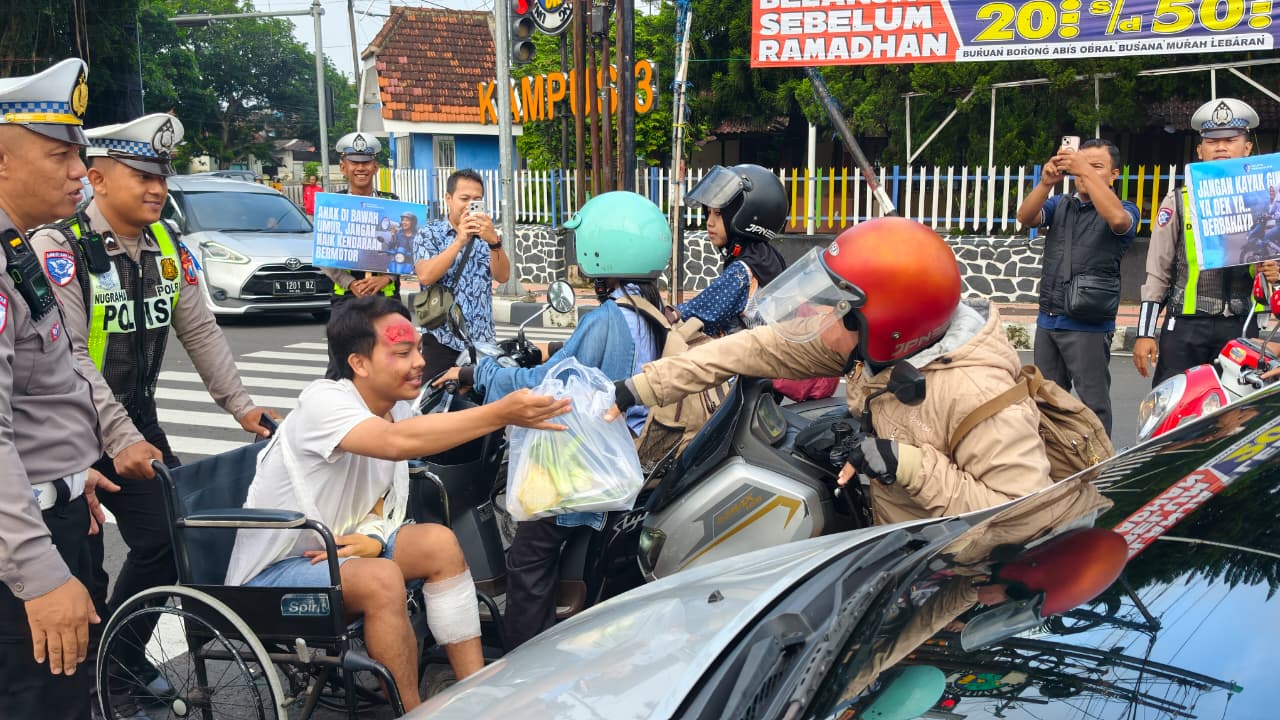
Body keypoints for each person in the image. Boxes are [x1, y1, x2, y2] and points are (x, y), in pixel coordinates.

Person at [26, 112, 281, 706]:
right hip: (70, 430)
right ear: (98, 178)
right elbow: (70, 355)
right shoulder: (60, 248)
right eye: (142, 175)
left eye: (162, 176)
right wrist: (117, 437)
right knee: (84, 567)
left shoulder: (168, 245)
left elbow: (202, 330)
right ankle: (91, 682)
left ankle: (119, 655)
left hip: (138, 422)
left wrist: (243, 408)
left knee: (170, 539)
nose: (157, 188)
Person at [224, 296, 570, 710]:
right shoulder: (323, 401)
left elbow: (383, 496)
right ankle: (412, 710)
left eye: (418, 349)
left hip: (337, 553)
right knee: (383, 578)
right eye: (403, 353)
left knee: (438, 544)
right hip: (273, 575)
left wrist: (374, 537)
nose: (420, 362)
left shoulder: (397, 408)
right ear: (358, 363)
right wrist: (500, 413)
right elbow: (394, 444)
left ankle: (476, 695)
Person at [610, 217, 1053, 525]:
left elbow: (1027, 515)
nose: (821, 319)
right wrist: (641, 387)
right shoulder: (872, 349)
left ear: (884, 326)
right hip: (886, 535)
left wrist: (908, 465)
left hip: (947, 578)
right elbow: (755, 347)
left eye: (837, 308)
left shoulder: (977, 390)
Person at [434, 192, 669, 648]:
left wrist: (476, 373)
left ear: (602, 250)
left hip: (586, 463)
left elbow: (542, 386)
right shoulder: (648, 309)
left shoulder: (607, 317)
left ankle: (524, 662)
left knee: (528, 557)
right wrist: (552, 348)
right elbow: (583, 362)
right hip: (624, 451)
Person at [0, 58, 107, 719]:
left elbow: (40, 388)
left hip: (54, 514)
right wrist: (39, 576)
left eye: (79, 154)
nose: (79, 171)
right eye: (59, 154)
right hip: (21, 549)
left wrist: (69, 470)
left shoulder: (18, 248)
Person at [1135, 98, 1280, 385]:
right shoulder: (1179, 200)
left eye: (1231, 140)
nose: (1221, 147)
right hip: (1184, 326)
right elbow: (1158, 271)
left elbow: (1272, 274)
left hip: (1240, 325)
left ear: (1247, 148)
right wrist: (1144, 332)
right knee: (1175, 403)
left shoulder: (1268, 203)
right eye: (1212, 142)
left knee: (1238, 406)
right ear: (1200, 150)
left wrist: (1273, 273)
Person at [1015, 138, 1139, 435]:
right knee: (1045, 402)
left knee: (1093, 404)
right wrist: (1046, 183)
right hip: (1049, 318)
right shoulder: (1061, 204)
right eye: (1081, 164)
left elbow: (1118, 221)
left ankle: (1099, 460)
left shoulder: (1124, 208)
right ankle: (1054, 457)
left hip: (1089, 322)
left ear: (1114, 174)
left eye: (1097, 166)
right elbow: (1025, 217)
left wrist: (1084, 169)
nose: (1085, 172)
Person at [672, 164, 788, 336]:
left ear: (747, 215)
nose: (709, 222)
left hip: (753, 351)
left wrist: (672, 313)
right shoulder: (765, 257)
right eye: (709, 213)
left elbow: (703, 309)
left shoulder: (743, 270)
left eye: (719, 214)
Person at [413, 169, 508, 379]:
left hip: (482, 342)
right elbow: (425, 276)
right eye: (464, 199)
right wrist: (460, 240)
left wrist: (494, 242)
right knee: (438, 397)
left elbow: (503, 276)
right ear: (448, 198)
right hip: (442, 340)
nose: (470, 205)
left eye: (477, 200)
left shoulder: (487, 235)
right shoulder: (429, 234)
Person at [320, 133, 401, 303]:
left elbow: (405, 248)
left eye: (366, 162)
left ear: (376, 167)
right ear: (343, 167)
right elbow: (324, 253)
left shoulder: (392, 203)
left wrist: (387, 278)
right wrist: (350, 283)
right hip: (346, 299)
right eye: (354, 163)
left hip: (387, 299)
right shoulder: (332, 205)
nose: (361, 168)